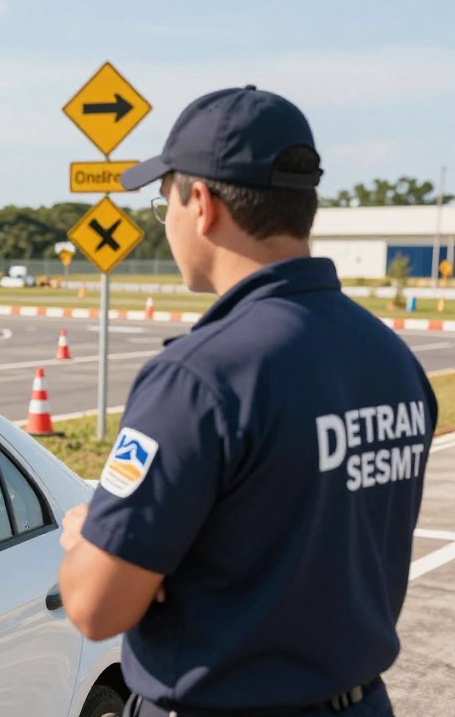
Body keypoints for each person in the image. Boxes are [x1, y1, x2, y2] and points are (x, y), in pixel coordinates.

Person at [58, 86, 436, 716]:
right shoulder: (391, 358)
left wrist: (89, 539)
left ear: (201, 204)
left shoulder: (198, 378)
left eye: (164, 200)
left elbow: (96, 608)